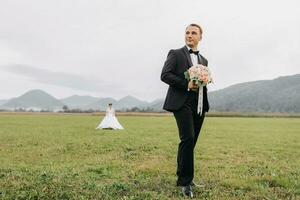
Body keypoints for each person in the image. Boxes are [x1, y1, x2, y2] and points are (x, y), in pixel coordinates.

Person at [160, 23, 209, 198]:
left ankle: (183, 174)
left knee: (191, 141)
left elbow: (202, 83)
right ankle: (186, 183)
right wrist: (186, 83)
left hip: (199, 104)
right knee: (187, 138)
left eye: (193, 33)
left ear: (200, 37)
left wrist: (206, 81)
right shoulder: (175, 53)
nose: (189, 35)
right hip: (181, 103)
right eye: (187, 32)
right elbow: (165, 75)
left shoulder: (204, 60)